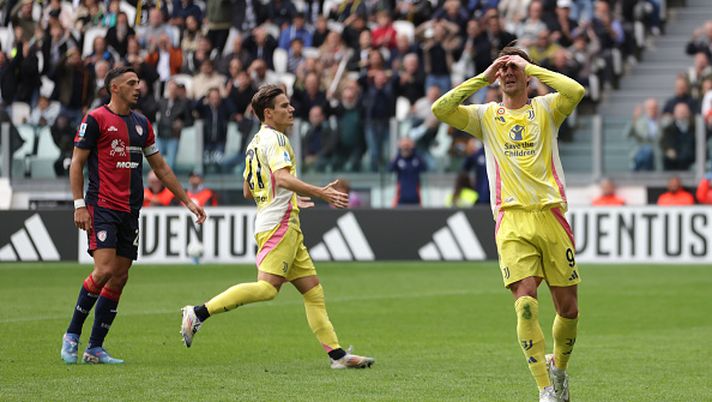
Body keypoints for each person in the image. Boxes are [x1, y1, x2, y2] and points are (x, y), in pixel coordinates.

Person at [180, 84, 374, 369]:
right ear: (268, 113)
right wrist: (319, 193)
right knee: (268, 289)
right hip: (279, 223)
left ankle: (338, 356)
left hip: (282, 220)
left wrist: (292, 199)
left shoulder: (255, 142)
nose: (291, 109)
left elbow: (248, 190)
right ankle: (198, 313)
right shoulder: (278, 141)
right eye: (284, 106)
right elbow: (281, 179)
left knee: (312, 291)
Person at [432, 47, 585, 402]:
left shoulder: (547, 109)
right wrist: (482, 77)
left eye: (515, 67)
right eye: (504, 69)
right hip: (511, 219)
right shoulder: (486, 116)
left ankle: (559, 370)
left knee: (569, 309)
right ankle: (544, 388)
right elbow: (440, 109)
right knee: (526, 302)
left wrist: (530, 65)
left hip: (551, 216)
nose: (509, 73)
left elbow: (575, 91)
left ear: (527, 74)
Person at [60, 66, 207, 365]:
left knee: (119, 277)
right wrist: (78, 204)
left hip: (130, 210)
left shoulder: (142, 124)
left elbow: (161, 168)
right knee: (103, 271)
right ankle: (72, 334)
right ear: (114, 88)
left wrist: (187, 201)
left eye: (138, 82)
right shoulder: (96, 119)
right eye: (131, 83)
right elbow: (77, 163)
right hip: (102, 206)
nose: (138, 87)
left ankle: (95, 348)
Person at [389, 137, 427, 207]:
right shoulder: (398, 160)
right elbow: (390, 168)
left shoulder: (416, 159)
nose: (406, 149)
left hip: (416, 200)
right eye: (404, 147)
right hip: (401, 200)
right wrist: (399, 152)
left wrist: (414, 149)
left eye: (407, 147)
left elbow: (424, 167)